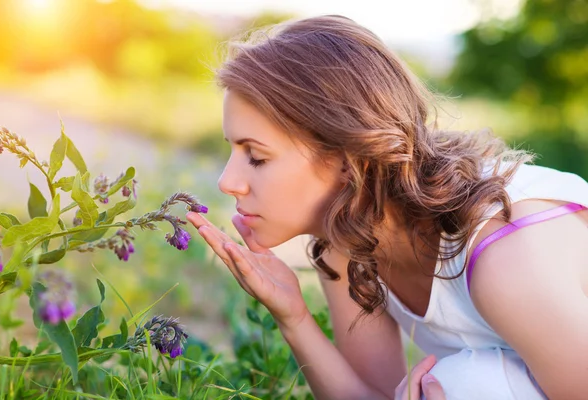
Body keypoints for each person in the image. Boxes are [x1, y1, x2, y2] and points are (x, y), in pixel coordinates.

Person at [186, 15, 588, 400]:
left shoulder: (505, 257)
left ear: (348, 158)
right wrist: (294, 317)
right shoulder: (347, 242)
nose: (227, 182)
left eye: (256, 156)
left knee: (461, 386)